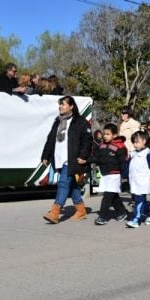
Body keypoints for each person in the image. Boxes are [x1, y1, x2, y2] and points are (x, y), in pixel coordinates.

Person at [41, 96, 93, 224]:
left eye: (63, 104)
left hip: (73, 159)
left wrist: (83, 156)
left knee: (64, 183)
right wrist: (45, 155)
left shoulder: (81, 122)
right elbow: (51, 139)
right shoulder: (57, 121)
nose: (60, 107)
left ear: (71, 106)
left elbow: (87, 141)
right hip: (60, 158)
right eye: (60, 104)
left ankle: (55, 212)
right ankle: (81, 210)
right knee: (73, 185)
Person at [91, 123, 128, 225]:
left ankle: (103, 216)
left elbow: (123, 162)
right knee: (113, 195)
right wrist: (85, 160)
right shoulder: (101, 145)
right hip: (105, 174)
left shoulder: (120, 146)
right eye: (104, 134)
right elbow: (96, 157)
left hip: (115, 174)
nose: (105, 136)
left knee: (107, 196)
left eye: (108, 134)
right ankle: (122, 212)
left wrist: (125, 175)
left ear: (114, 135)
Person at [125, 130, 150, 228]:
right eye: (133, 142)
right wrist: (124, 175)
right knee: (139, 201)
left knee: (139, 201)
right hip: (134, 182)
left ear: (144, 141)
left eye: (137, 141)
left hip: (142, 182)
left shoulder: (148, 153)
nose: (134, 144)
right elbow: (128, 166)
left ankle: (136, 219)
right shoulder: (133, 153)